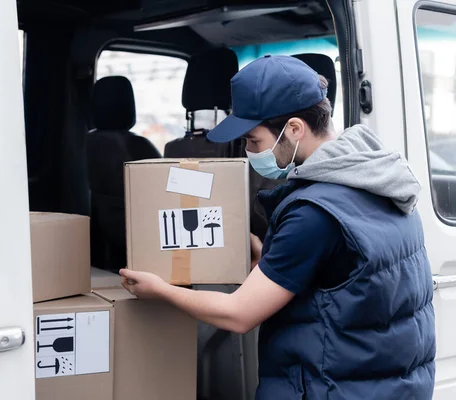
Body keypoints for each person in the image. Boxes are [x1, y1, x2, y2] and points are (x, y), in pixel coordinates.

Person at [119, 55, 436, 399]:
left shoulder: (315, 213)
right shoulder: (382, 179)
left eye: (253, 141)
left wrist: (160, 290)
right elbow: (348, 280)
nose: (248, 152)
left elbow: (238, 314)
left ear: (295, 129)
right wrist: (268, 253)